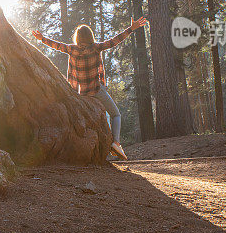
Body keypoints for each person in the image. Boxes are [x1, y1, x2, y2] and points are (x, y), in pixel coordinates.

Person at [32, 17, 148, 160]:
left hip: (80, 93)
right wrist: (131, 28)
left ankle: (105, 148)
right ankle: (116, 143)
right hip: (97, 91)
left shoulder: (71, 49)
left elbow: (56, 45)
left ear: (77, 38)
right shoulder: (96, 47)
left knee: (103, 115)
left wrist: (42, 38)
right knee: (116, 114)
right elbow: (114, 41)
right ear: (90, 36)